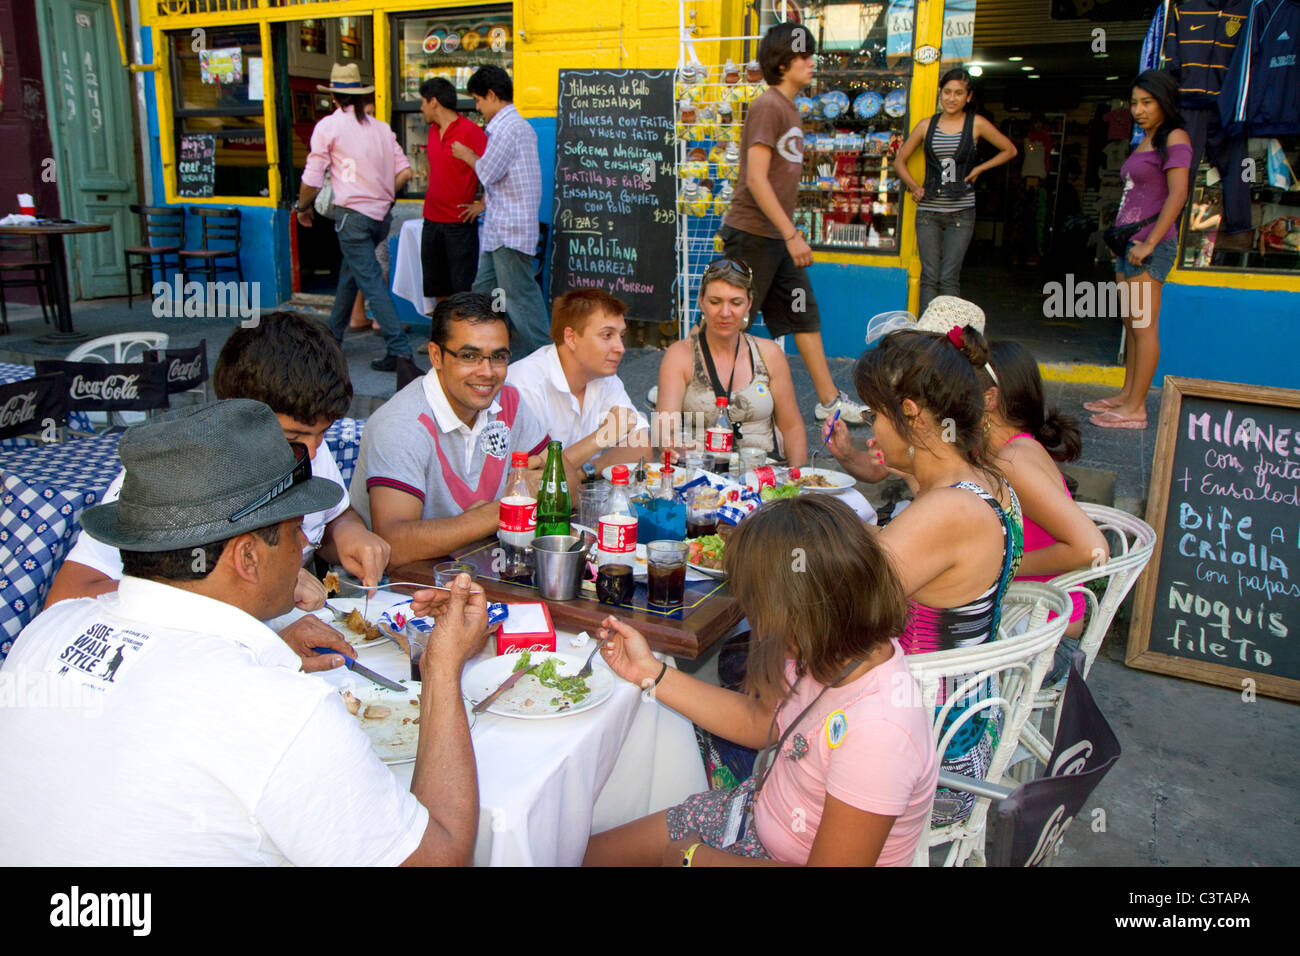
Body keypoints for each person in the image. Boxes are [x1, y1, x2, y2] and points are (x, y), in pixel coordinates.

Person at [0, 400, 492, 865]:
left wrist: (267, 650)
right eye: (297, 527)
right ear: (247, 557)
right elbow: (440, 856)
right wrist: (441, 668)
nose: (305, 542)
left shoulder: (50, 628)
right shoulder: (281, 712)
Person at [582, 495, 937, 866]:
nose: (754, 620)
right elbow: (761, 721)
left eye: (755, 604)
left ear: (797, 611)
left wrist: (691, 858)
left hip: (772, 850)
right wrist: (650, 672)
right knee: (584, 855)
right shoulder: (836, 648)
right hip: (754, 815)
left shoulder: (879, 732)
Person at [45, 312, 391, 671]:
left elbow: (332, 517)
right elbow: (65, 600)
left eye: (322, 434)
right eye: (295, 437)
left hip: (274, 645)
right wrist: (256, 588)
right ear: (234, 414)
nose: (315, 451)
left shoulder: (304, 453)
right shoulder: (168, 482)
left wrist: (352, 533)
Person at [824, 313, 1023, 826]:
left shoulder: (947, 510)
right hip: (965, 726)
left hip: (934, 758)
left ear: (910, 414)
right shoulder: (981, 483)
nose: (873, 429)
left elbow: (841, 610)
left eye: (875, 415)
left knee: (748, 688)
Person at [350, 291, 582, 567]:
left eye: (498, 357)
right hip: (396, 589)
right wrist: (505, 508)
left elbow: (571, 486)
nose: (487, 371)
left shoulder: (508, 401)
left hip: (480, 569)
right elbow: (394, 544)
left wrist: (529, 488)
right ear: (436, 356)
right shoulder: (402, 424)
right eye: (470, 356)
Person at [718, 22, 870, 425]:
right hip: (753, 234)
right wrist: (792, 233)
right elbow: (755, 177)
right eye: (804, 56)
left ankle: (829, 401)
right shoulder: (769, 106)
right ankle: (682, 385)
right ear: (782, 63)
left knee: (803, 314)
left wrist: (786, 235)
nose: (811, 62)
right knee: (729, 316)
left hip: (775, 238)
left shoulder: (787, 109)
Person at [979, 340, 1108, 664]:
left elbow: (1091, 550)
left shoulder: (1014, 460)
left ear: (989, 399)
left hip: (1046, 640)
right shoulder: (1003, 450)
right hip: (1027, 622)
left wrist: (1000, 565)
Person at [1084, 70, 1191, 430]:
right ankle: (1126, 395)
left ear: (1165, 101)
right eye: (1134, 103)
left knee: (1144, 326)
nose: (1139, 110)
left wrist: (1149, 242)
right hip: (1128, 244)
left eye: (1147, 102)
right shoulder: (1144, 140)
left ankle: (1137, 408)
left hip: (1152, 244)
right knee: (1130, 324)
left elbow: (1178, 195)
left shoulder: (1175, 137)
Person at [294, 63, 416, 376]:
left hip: (352, 217)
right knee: (351, 274)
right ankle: (332, 339)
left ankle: (400, 353)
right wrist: (383, 195)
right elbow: (405, 171)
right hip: (379, 217)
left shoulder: (328, 127)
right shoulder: (380, 128)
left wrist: (301, 206)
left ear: (333, 97)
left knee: (371, 282)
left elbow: (312, 176)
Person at [656, 258, 807, 465]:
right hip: (699, 475)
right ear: (701, 301)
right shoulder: (680, 355)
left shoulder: (769, 353)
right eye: (715, 302)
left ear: (749, 304)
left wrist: (796, 480)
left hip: (764, 476)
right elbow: (666, 428)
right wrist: (671, 443)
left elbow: (792, 427)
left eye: (736, 303)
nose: (725, 313)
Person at [894, 68, 1018, 313]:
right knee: (929, 277)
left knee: (949, 278)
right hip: (928, 211)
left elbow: (1010, 150)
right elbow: (900, 161)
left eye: (958, 93)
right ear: (940, 93)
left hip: (961, 212)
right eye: (947, 92)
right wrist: (914, 187)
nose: (952, 98)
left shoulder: (977, 124)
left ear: (968, 97)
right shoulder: (926, 125)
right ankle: (928, 334)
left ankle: (948, 338)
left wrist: (981, 168)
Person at [450, 66, 550, 357]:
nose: (478, 108)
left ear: (492, 95)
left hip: (509, 229)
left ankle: (546, 361)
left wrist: (468, 155)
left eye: (479, 101)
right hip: (502, 229)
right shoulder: (516, 126)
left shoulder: (507, 128)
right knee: (484, 293)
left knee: (520, 299)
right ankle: (481, 345)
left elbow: (488, 172)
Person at [506, 288, 650, 471]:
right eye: (607, 335)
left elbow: (641, 447)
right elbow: (527, 477)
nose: (620, 348)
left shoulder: (604, 377)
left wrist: (585, 474)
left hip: (583, 493)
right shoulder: (524, 385)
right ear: (571, 337)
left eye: (621, 336)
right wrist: (601, 437)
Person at [418, 77, 488, 309]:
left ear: (434, 102)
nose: (421, 108)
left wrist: (482, 203)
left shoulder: (471, 132)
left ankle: (461, 341)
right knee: (436, 287)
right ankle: (440, 338)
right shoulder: (431, 131)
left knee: (462, 290)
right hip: (431, 220)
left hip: (459, 224)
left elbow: (492, 170)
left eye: (423, 102)